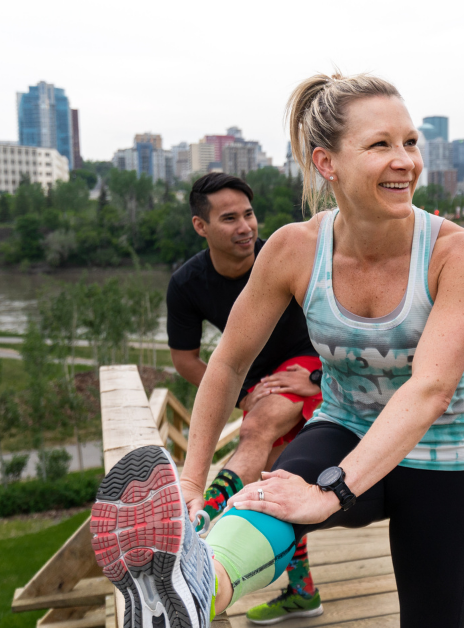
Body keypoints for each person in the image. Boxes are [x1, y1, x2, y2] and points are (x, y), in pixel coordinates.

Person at [90, 71, 464, 628]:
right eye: (380, 145)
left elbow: (431, 386)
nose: (405, 160)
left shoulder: (461, 253)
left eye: (410, 142)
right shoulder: (293, 248)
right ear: (327, 163)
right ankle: (195, 594)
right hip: (342, 425)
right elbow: (228, 362)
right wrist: (191, 480)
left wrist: (334, 493)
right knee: (270, 496)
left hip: (441, 456)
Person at [164, 172, 323, 622]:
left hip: (309, 367)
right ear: (201, 226)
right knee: (275, 482)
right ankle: (303, 590)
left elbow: (345, 324)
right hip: (258, 385)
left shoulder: (284, 255)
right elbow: (185, 359)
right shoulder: (188, 284)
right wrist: (239, 398)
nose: (245, 227)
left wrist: (321, 381)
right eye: (229, 218)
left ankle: (196, 522)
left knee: (256, 435)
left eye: (249, 214)